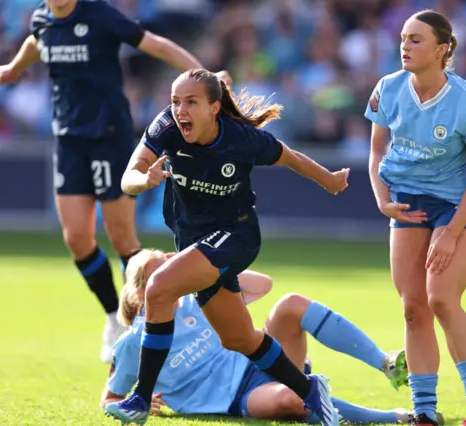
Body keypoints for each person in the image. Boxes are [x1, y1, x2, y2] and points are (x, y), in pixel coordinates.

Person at [104, 68, 350, 425]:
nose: (180, 110)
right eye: (175, 102)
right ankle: (309, 391)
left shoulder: (242, 139)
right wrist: (145, 179)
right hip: (195, 242)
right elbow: (128, 179)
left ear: (214, 108)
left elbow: (291, 157)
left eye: (191, 102)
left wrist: (328, 180)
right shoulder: (165, 129)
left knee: (157, 288)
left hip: (236, 236)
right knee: (238, 338)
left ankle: (139, 399)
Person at [0, 0, 228, 363]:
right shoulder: (42, 18)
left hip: (109, 136)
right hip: (69, 141)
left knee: (122, 239)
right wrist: (12, 69)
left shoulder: (99, 14)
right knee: (76, 238)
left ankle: (145, 320)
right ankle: (113, 316)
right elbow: (36, 42)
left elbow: (157, 45)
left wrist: (204, 78)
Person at [365, 9, 466, 426]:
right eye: (404, 38)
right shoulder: (387, 89)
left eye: (416, 39)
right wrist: (382, 200)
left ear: (443, 50)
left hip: (459, 203)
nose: (405, 45)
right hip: (406, 199)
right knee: (412, 309)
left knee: (441, 298)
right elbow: (376, 154)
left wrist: (450, 232)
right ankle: (424, 413)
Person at [101, 249, 418, 425]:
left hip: (263, 357)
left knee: (290, 304)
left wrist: (199, 266)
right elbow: (109, 399)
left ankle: (384, 363)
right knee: (291, 400)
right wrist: (138, 400)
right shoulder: (132, 342)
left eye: (172, 267)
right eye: (163, 273)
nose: (171, 276)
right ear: (141, 291)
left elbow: (262, 284)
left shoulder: (197, 300)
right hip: (240, 397)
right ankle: (397, 418)